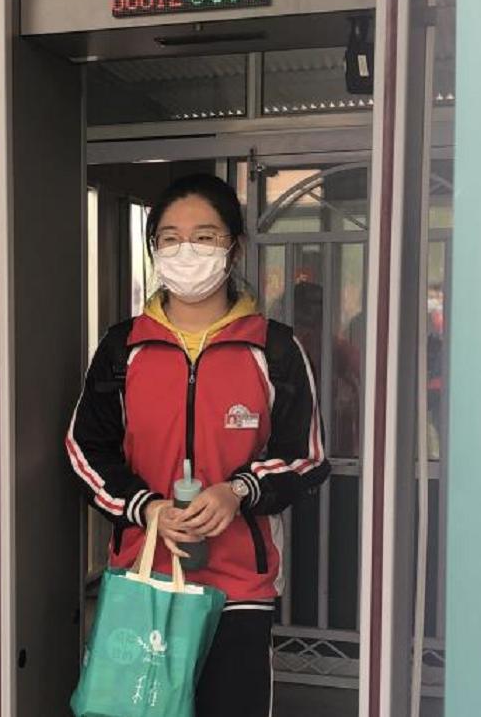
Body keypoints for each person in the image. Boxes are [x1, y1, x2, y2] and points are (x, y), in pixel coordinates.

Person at [66, 173, 329, 716]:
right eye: (170, 238)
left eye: (205, 236)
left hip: (239, 588)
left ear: (235, 247)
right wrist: (146, 507)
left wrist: (239, 490)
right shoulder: (123, 348)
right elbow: (85, 449)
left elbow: (306, 455)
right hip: (145, 580)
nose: (187, 251)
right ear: (154, 248)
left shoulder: (274, 349)